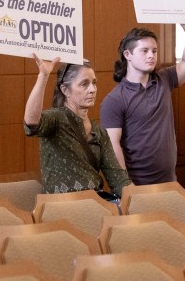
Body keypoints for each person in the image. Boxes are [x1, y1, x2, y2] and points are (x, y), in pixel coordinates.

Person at [100, 21, 185, 185]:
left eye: (154, 51)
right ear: (127, 55)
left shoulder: (164, 79)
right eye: (144, 51)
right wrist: (125, 183)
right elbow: (112, 146)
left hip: (169, 181)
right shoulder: (114, 99)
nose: (151, 55)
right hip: (137, 184)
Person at [24, 54, 130, 197]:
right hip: (60, 209)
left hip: (94, 206)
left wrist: (140, 200)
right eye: (84, 84)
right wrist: (43, 76)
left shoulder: (99, 132)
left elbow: (119, 181)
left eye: (94, 82)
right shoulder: (56, 119)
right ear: (65, 90)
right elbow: (31, 121)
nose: (92, 89)